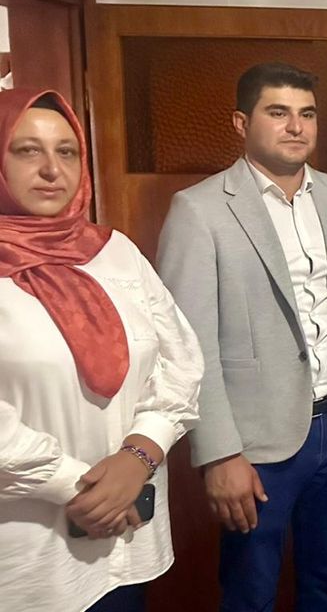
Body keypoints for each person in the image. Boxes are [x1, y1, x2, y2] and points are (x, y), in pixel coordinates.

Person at [156, 62, 327, 611]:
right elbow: (188, 345)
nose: (296, 126)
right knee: (250, 592)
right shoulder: (200, 210)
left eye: (307, 114)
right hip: (255, 441)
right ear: (242, 123)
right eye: (278, 112)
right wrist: (219, 453)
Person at [0, 88, 203, 611]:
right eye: (27, 150)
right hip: (27, 557)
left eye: (67, 151)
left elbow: (180, 359)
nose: (52, 169)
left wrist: (140, 455)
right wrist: (79, 487)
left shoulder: (114, 252)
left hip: (126, 542)